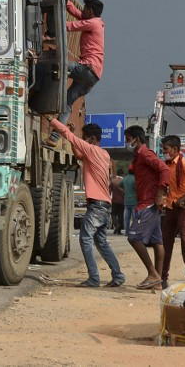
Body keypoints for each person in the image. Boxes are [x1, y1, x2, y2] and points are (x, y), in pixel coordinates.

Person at [49, 118, 124, 288]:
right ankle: (117, 275)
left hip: (96, 204)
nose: (83, 140)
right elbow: (78, 154)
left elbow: (69, 137)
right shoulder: (104, 154)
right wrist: (76, 136)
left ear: (90, 139)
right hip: (104, 204)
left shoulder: (91, 150)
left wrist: (53, 121)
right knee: (102, 242)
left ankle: (94, 278)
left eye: (85, 138)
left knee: (85, 238)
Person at [123, 125, 170, 290]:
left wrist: (159, 194)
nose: (126, 143)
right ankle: (157, 280)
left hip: (148, 202)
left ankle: (152, 273)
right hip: (147, 201)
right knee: (157, 241)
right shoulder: (139, 156)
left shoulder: (145, 154)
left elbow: (164, 170)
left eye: (128, 139)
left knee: (134, 237)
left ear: (137, 139)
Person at [58, 0, 103, 124]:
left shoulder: (93, 23)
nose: (82, 11)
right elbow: (77, 13)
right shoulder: (95, 22)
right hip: (93, 77)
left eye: (85, 9)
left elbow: (69, 26)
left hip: (87, 69)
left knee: (58, 66)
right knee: (67, 102)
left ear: (90, 10)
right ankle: (54, 138)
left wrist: (54, 16)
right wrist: (65, 0)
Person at [159, 135, 185, 287]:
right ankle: (163, 276)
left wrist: (184, 199)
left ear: (174, 149)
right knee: (166, 242)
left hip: (184, 206)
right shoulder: (166, 165)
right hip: (170, 206)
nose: (164, 152)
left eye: (166, 149)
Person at [122, 166, 137, 235]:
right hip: (134, 200)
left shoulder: (124, 179)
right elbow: (137, 188)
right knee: (134, 217)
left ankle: (127, 231)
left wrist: (124, 191)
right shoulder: (135, 179)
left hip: (126, 201)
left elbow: (119, 185)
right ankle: (134, 230)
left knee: (126, 217)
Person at [110, 169, 126, 235]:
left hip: (114, 200)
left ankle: (116, 225)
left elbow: (110, 191)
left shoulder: (113, 181)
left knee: (113, 214)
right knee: (120, 215)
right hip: (122, 201)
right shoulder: (124, 181)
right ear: (123, 174)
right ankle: (119, 230)